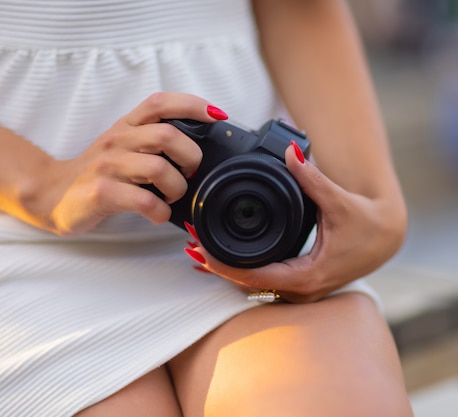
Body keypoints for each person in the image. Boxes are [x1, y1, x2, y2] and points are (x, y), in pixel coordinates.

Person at [0, 0, 413, 416]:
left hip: (257, 270)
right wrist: (42, 187)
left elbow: (299, 8)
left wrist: (376, 208)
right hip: (23, 243)